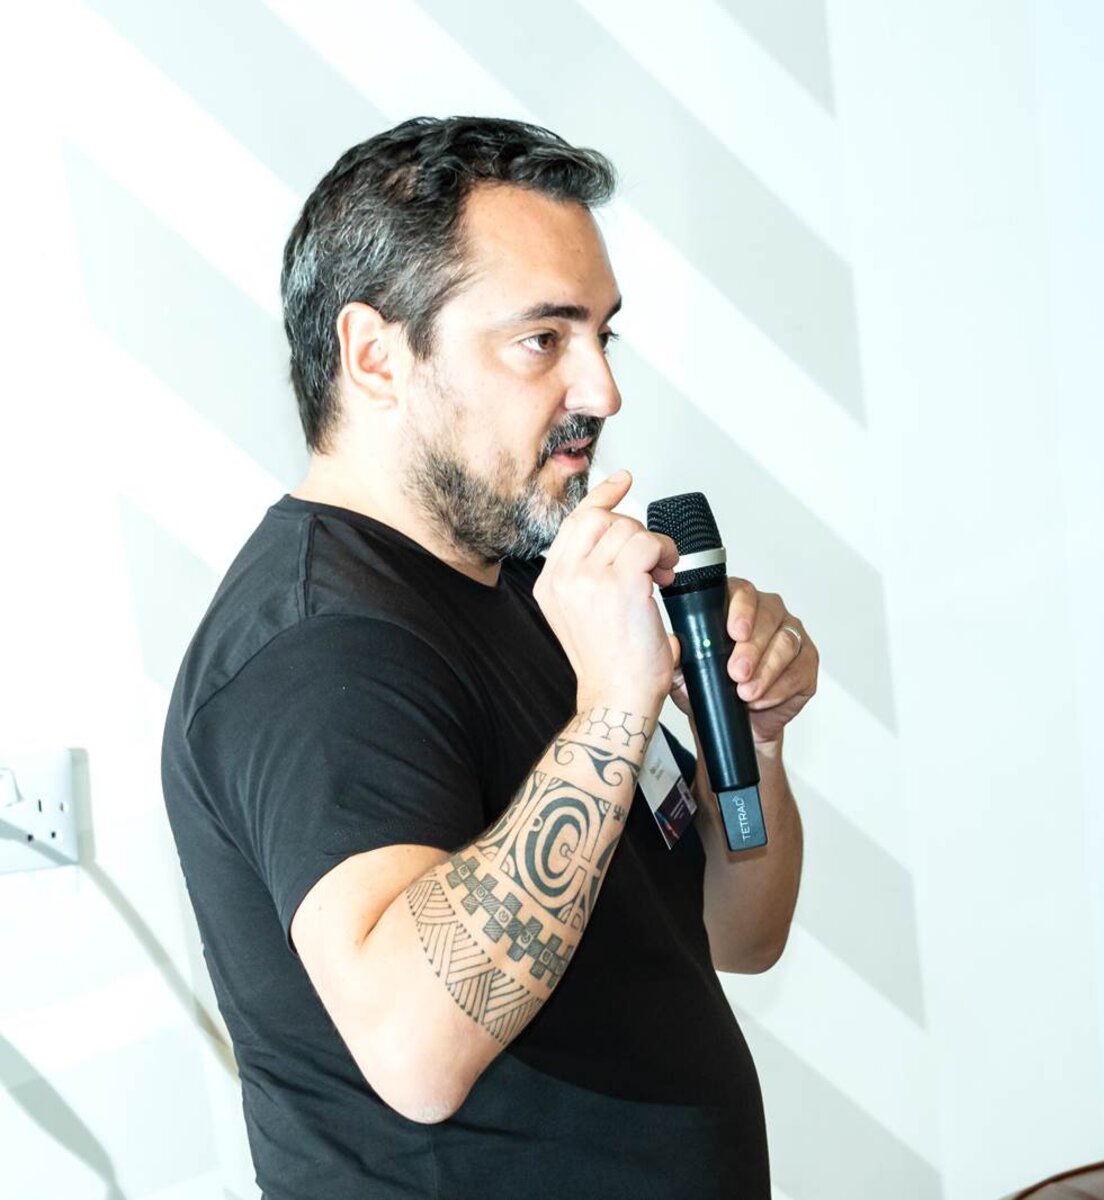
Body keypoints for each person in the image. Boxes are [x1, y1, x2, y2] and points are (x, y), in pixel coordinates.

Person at [161, 115, 817, 1199]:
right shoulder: (317, 648)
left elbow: (737, 932)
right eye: (543, 339)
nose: (601, 391)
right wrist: (613, 709)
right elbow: (417, 1053)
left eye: (603, 337)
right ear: (377, 356)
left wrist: (754, 740)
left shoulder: (529, 586)